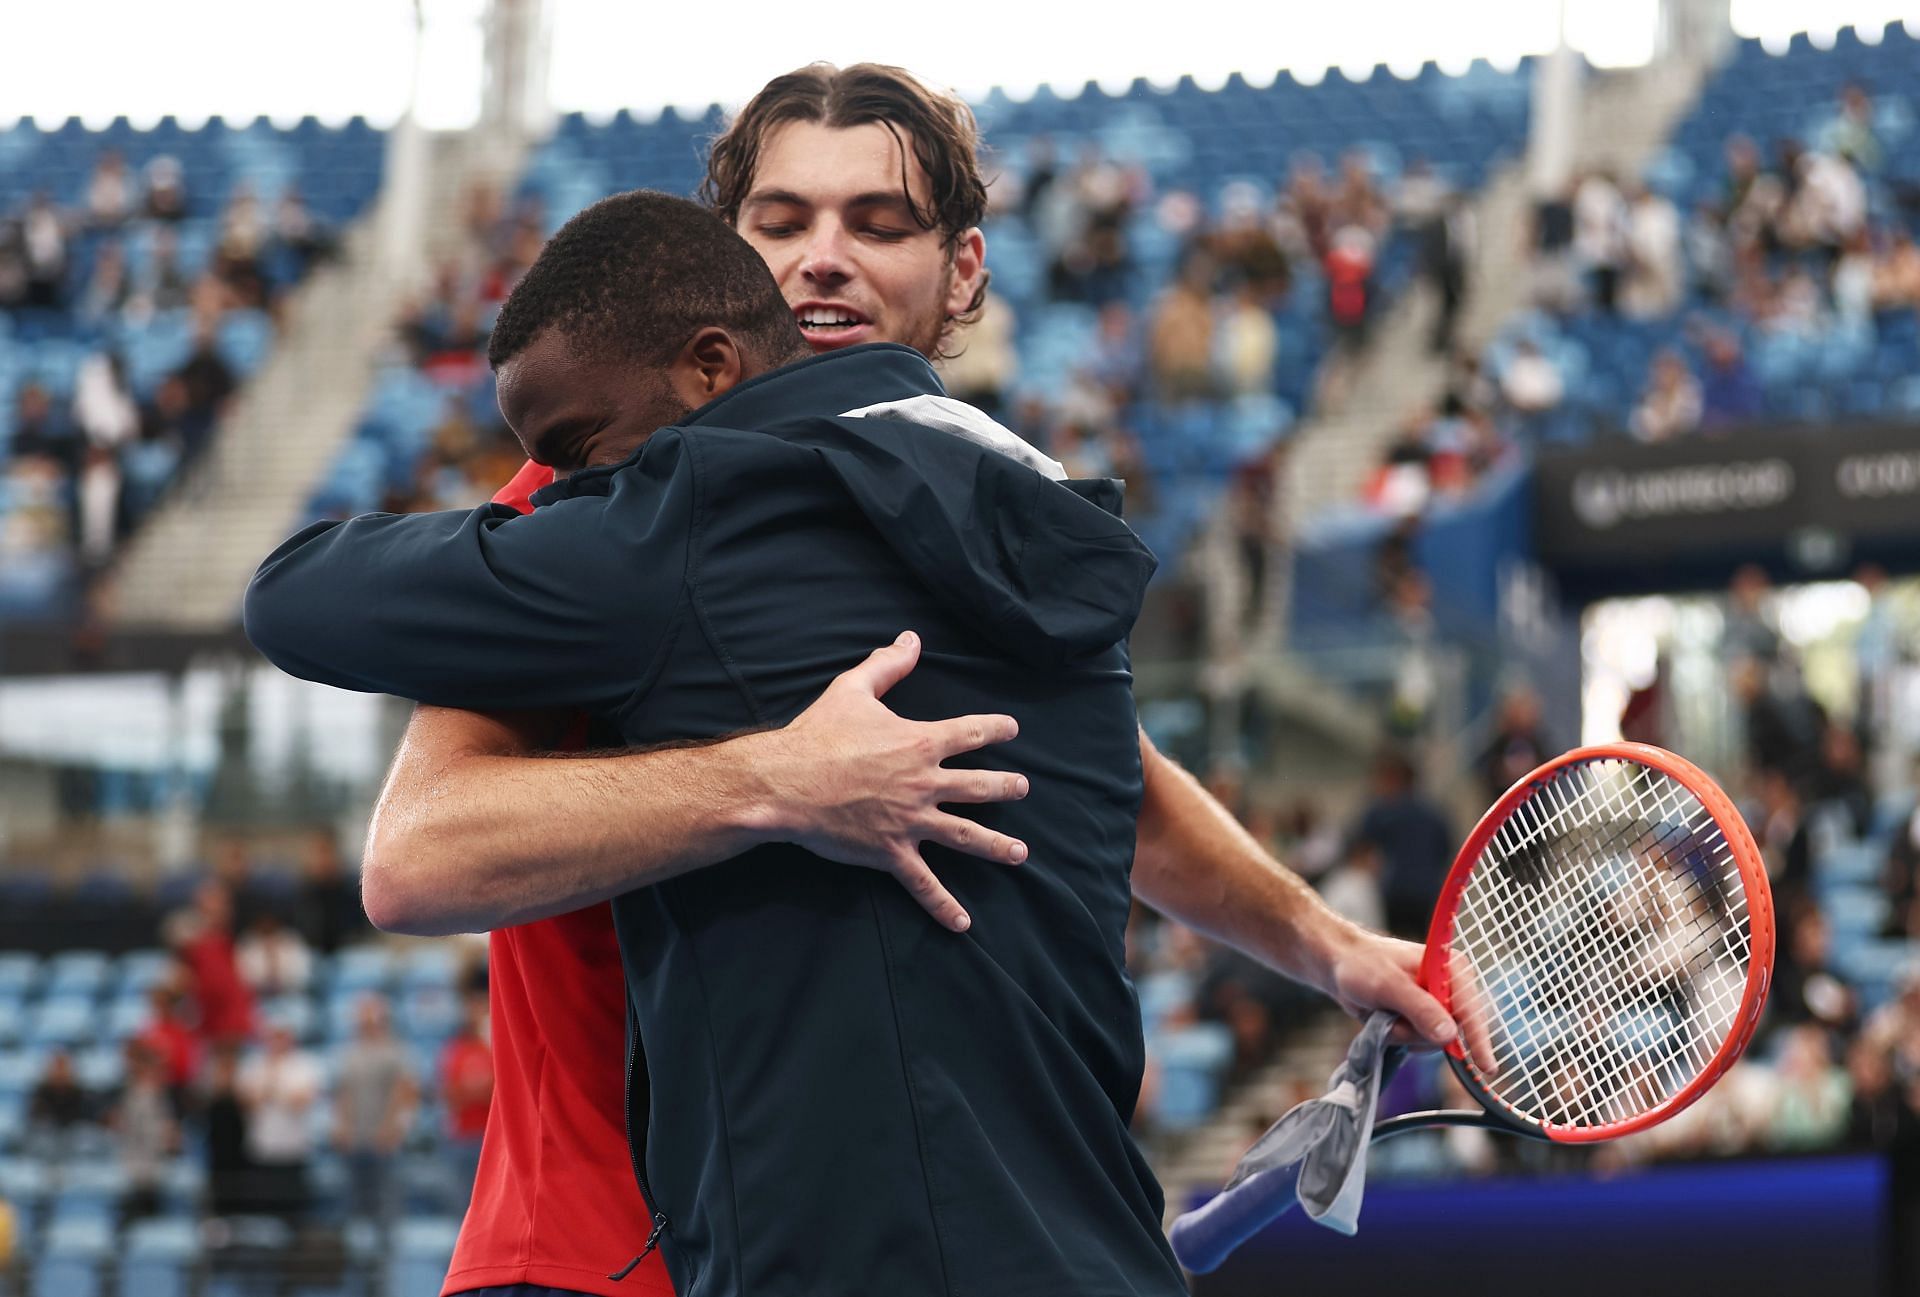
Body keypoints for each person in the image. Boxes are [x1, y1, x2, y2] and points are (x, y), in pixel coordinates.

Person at [264, 64, 1452, 1297]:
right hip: (593, 1251)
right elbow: (418, 855)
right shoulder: (595, 501)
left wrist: (1327, 945)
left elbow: (1109, 778)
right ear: (721, 276)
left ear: (967, 272)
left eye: (876, 225)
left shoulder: (1006, 512)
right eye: (780, 224)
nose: (823, 258)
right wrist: (775, 779)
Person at [248, 189, 1185, 1296]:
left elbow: (294, 599)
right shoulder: (1041, 511)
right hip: (1097, 1244)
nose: (572, 489)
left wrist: (539, 516)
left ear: (710, 368)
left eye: (575, 450)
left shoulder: (692, 524)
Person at [333, 996, 418, 1230]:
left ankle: (386, 1260)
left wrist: (393, 1129)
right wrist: (342, 1126)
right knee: (354, 1204)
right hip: (355, 1139)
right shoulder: (350, 1053)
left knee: (387, 1203)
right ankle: (358, 1257)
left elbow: (405, 1091)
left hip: (384, 1141)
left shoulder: (396, 1051)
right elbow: (343, 1093)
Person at [439, 990, 493, 1213]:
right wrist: (478, 1091)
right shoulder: (455, 1051)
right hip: (462, 1135)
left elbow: (498, 1092)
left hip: (489, 1135)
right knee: (463, 1200)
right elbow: (450, 1094)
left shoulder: (493, 1049)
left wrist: (472, 1091)